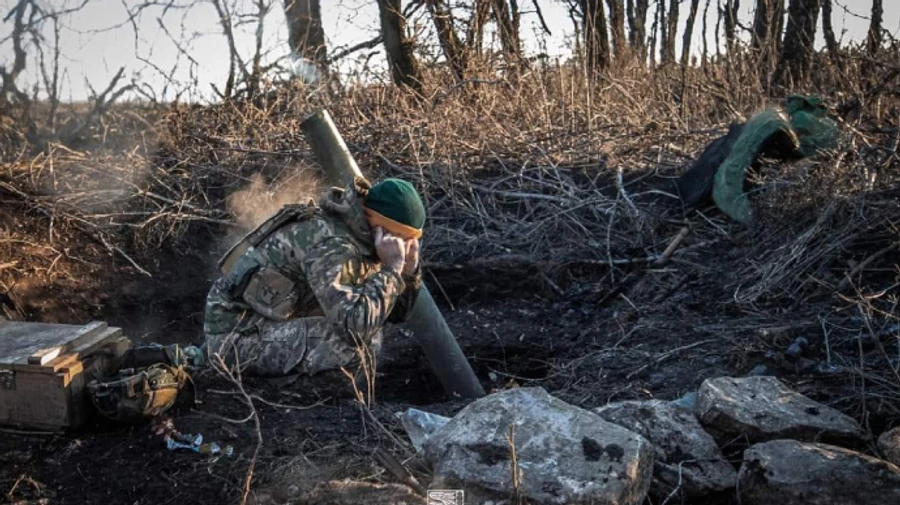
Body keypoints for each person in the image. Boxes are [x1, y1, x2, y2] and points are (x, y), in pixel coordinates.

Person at [203, 177, 425, 379]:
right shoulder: (332, 244)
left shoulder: (363, 238)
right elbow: (353, 332)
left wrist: (408, 272)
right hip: (233, 341)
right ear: (380, 227)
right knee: (352, 346)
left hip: (267, 326)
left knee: (372, 320)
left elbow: (392, 315)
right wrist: (392, 270)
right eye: (402, 239)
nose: (404, 248)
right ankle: (303, 404)